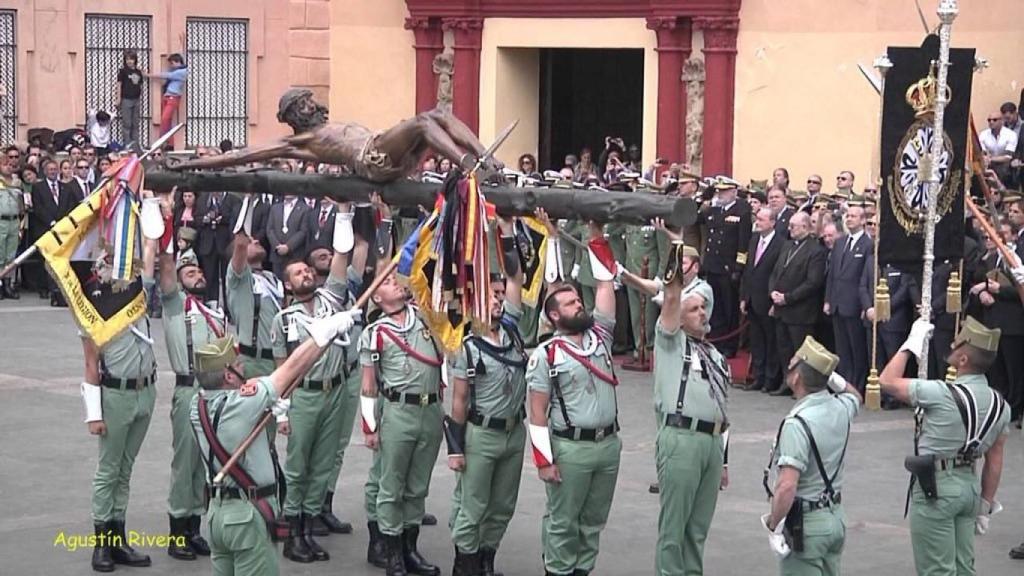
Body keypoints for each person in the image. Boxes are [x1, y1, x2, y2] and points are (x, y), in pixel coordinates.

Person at [189, 306, 359, 576]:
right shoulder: (243, 404)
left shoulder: (197, 405)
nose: (244, 365)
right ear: (230, 376)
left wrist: (265, 402)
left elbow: (253, 388)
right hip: (247, 518)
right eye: (239, 364)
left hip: (218, 517)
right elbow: (290, 370)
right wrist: (322, 336)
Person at [524, 222, 620, 576]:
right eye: (569, 303)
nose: (578, 305)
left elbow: (607, 284)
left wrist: (596, 238)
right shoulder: (546, 355)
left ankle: (582, 571)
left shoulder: (600, 337)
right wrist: (543, 461)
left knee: (593, 523)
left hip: (608, 444)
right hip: (571, 448)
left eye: (578, 299)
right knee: (564, 523)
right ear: (553, 315)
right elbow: (536, 414)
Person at [880, 316, 1010, 575]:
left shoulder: (941, 393)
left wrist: (910, 345)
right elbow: (994, 462)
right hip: (969, 489)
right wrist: (985, 505)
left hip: (935, 488)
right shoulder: (1000, 405)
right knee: (964, 568)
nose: (952, 343)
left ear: (963, 360)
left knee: (937, 570)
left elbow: (887, 381)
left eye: (958, 343)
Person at [270, 210, 359, 564]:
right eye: (297, 273)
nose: (306, 273)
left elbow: (341, 257)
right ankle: (293, 533)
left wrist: (343, 215)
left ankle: (308, 528)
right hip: (303, 395)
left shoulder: (332, 300)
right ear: (288, 285)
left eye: (306, 270)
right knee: (298, 466)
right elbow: (280, 371)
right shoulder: (283, 320)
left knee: (322, 465)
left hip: (334, 392)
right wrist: (281, 413)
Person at [171, 89, 501, 182]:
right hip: (374, 160)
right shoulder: (299, 143)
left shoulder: (325, 125)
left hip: (387, 151)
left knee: (437, 114)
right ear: (294, 115)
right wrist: (187, 166)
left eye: (309, 100)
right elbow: (240, 156)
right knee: (422, 123)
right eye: (304, 103)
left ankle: (485, 158)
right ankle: (467, 164)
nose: (312, 104)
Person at [446, 217, 528, 576]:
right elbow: (459, 400)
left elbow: (516, 279)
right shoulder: (468, 347)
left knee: (502, 505)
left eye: (498, 297)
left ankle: (486, 559)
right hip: (482, 434)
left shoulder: (512, 331)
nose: (498, 301)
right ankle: (465, 564)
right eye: (491, 297)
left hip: (514, 432)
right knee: (473, 505)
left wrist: (508, 234)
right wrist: (456, 447)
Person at [80, 216, 160, 573]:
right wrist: (93, 414)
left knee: (125, 470)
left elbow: (151, 247)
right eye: (112, 263)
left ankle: (118, 537)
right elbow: (90, 366)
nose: (121, 269)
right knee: (108, 470)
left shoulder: (138, 297)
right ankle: (101, 543)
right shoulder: (94, 312)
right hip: (116, 394)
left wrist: (150, 212)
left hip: (146, 391)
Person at [653, 242, 731, 575]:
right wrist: (675, 246)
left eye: (703, 308)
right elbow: (671, 300)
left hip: (711, 442)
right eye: (694, 309)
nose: (702, 313)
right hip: (681, 437)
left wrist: (724, 460)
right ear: (679, 319)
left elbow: (723, 412)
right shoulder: (671, 342)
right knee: (674, 529)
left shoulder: (716, 356)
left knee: (697, 530)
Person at [762, 336, 862, 575]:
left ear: (796, 377)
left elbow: (787, 486)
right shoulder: (841, 407)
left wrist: (774, 525)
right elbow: (856, 396)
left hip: (806, 524)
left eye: (793, 363)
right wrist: (830, 376)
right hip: (834, 517)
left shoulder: (797, 423)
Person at [156, 230, 223, 560]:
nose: (198, 277)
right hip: (188, 390)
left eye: (199, 271)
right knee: (185, 463)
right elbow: (166, 269)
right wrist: (166, 227)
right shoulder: (174, 305)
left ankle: (195, 526)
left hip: (215, 393)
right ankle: (177, 531)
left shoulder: (215, 310)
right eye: (190, 273)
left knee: (205, 464)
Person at [768, 212, 828, 397]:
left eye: (794, 226)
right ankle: (788, 382)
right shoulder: (787, 246)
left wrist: (788, 297)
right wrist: (773, 293)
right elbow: (776, 271)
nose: (790, 229)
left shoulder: (816, 250)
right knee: (784, 348)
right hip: (781, 308)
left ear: (805, 226)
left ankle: (802, 385)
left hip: (801, 310)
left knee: (800, 351)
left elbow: (813, 282)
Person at [824, 203, 873, 392]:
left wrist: (864, 306)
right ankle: (843, 384)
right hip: (837, 302)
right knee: (842, 348)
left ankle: (857, 386)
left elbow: (867, 278)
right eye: (848, 216)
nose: (849, 218)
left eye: (854, 216)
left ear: (862, 220)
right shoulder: (840, 242)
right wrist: (828, 299)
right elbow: (832, 274)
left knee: (856, 348)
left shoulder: (868, 244)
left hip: (854, 304)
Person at [701, 176, 751, 358]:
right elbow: (697, 218)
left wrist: (739, 267)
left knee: (729, 308)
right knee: (715, 307)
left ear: (733, 192)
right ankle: (717, 340)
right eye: (718, 191)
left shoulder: (742, 211)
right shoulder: (714, 210)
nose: (720, 194)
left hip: (729, 267)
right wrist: (705, 196)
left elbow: (743, 242)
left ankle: (730, 344)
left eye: (724, 191)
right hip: (713, 265)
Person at [741, 207, 784, 392]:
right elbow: (748, 270)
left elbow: (780, 274)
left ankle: (770, 379)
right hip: (752, 298)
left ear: (772, 222)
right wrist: (744, 296)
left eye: (762, 219)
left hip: (767, 300)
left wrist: (774, 300)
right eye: (757, 219)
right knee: (757, 341)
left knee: (770, 341)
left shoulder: (781, 243)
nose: (758, 222)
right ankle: (757, 377)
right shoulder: (754, 240)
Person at [147, 53, 188, 142]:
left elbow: (165, 75)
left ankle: (163, 139)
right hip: (168, 96)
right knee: (167, 120)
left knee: (165, 119)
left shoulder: (181, 72)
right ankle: (169, 142)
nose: (171, 66)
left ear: (177, 62)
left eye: (172, 63)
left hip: (173, 97)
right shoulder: (177, 71)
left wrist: (148, 75)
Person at [266, 195, 309, 279]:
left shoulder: (305, 209)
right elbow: (269, 230)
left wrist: (288, 246)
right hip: (277, 255)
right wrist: (277, 246)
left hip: (295, 255)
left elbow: (303, 231)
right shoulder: (275, 208)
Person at [0, 156, 23, 299]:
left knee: (11, 256)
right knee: (0, 255)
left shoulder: (17, 183)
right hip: (1, 221)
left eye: (10, 164)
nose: (8, 167)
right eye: (4, 164)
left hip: (14, 221)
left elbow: (22, 205)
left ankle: (8, 284)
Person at [116, 50, 145, 148]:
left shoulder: (138, 72)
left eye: (131, 59)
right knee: (127, 123)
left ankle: (136, 144)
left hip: (136, 99)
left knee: (135, 123)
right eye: (127, 59)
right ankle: (127, 144)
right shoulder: (123, 72)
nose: (129, 61)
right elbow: (119, 85)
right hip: (126, 99)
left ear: (135, 60)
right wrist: (118, 99)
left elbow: (140, 84)